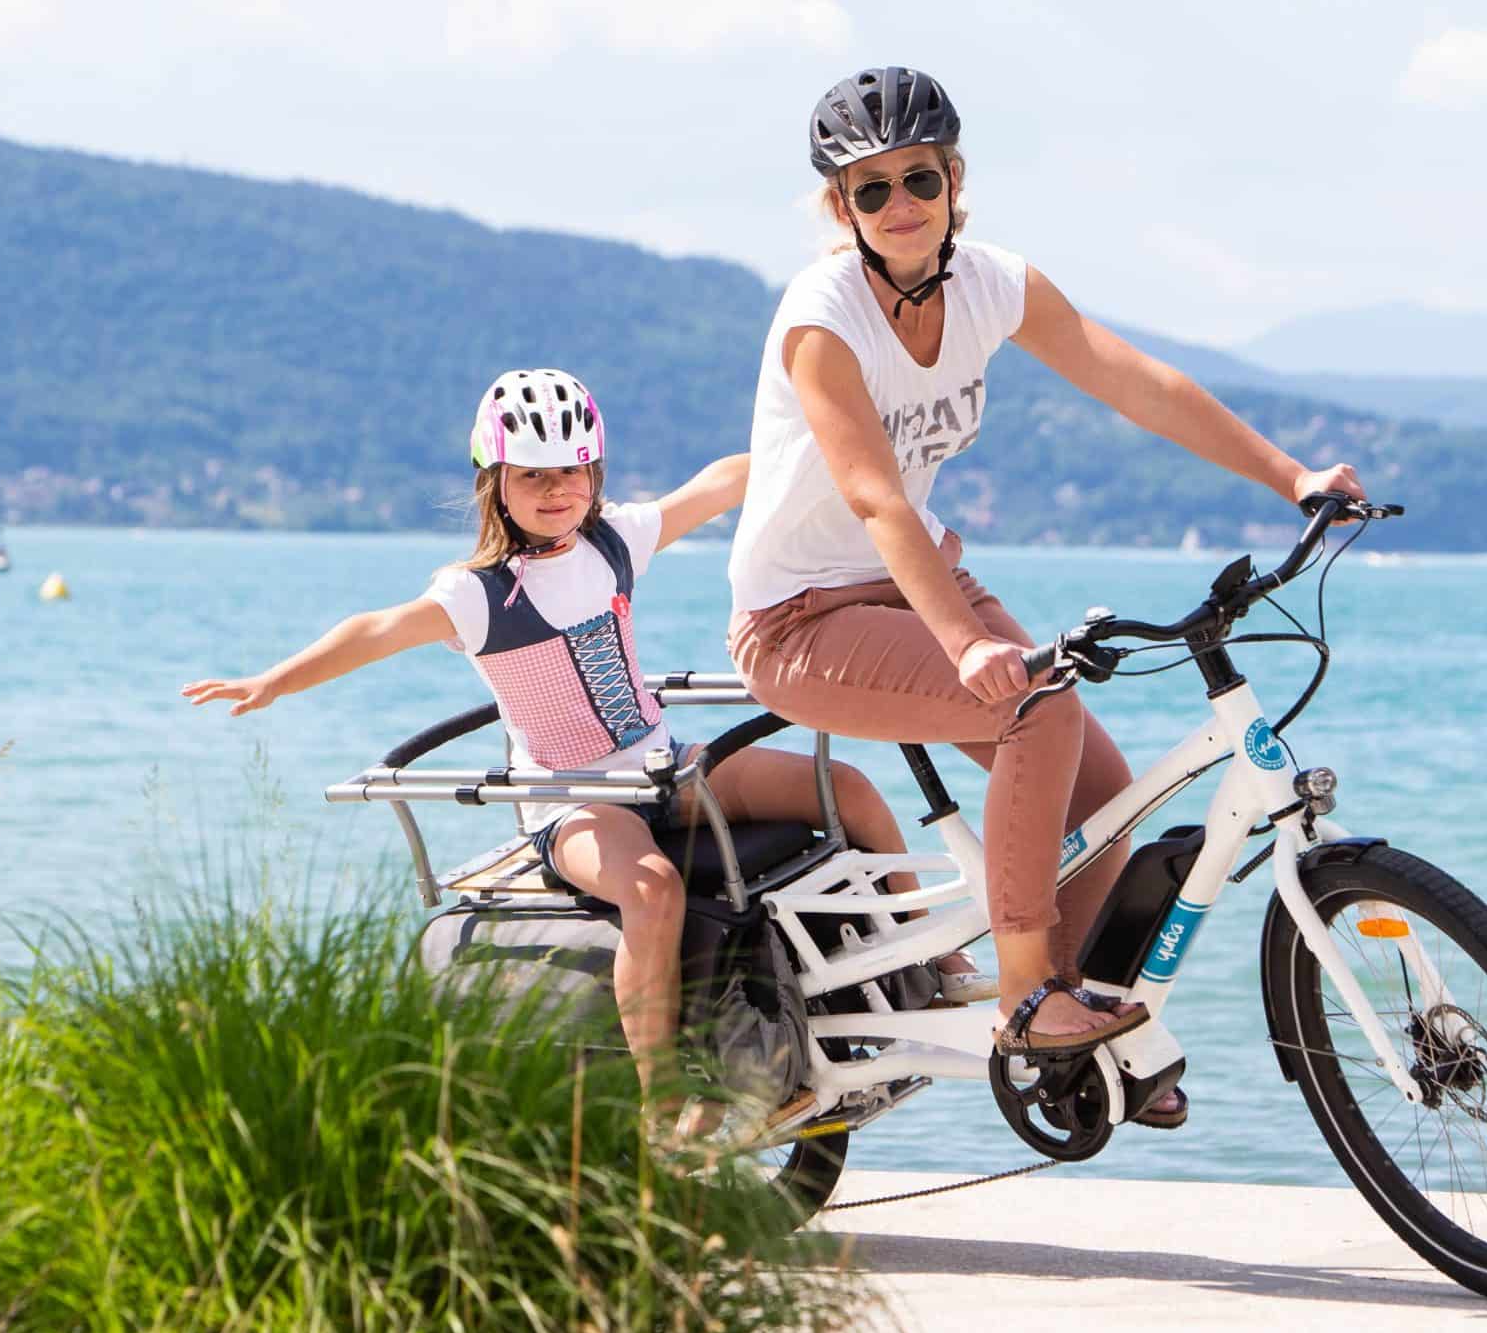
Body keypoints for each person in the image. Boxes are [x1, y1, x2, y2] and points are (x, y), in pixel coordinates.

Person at [726, 68, 1363, 1125]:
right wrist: (964, 643)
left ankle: (1082, 1049)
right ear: (841, 208)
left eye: (918, 178)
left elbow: (1136, 382)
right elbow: (875, 496)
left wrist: (1290, 475)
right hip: (799, 619)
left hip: (917, 584)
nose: (899, 203)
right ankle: (1027, 999)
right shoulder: (822, 318)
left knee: (1103, 795)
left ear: (954, 178)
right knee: (1036, 710)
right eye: (870, 189)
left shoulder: (991, 284)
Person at [183, 367, 986, 1134]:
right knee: (651, 888)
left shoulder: (614, 541)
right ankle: (663, 1097)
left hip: (662, 766)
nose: (555, 488)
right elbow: (376, 628)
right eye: (532, 475)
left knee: (848, 789)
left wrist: (819, 441)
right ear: (495, 480)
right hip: (571, 802)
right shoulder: (477, 592)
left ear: (593, 470)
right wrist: (275, 681)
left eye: (570, 470)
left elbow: (716, 484)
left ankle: (932, 967)